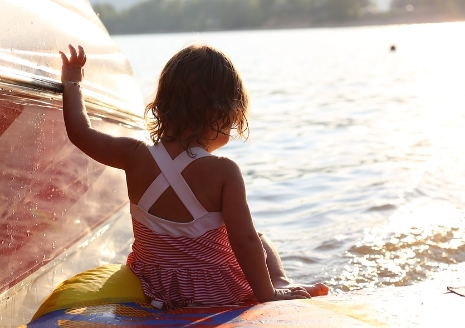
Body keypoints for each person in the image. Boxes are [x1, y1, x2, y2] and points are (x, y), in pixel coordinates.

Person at [59, 44, 328, 310]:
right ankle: (280, 284)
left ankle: (276, 285)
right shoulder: (224, 171)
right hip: (216, 290)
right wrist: (266, 296)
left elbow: (80, 133)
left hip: (155, 287)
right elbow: (244, 242)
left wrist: (72, 83)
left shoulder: (134, 155)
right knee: (259, 239)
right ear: (220, 114)